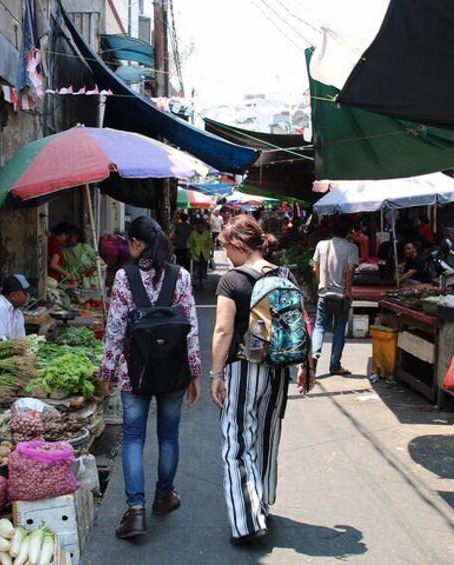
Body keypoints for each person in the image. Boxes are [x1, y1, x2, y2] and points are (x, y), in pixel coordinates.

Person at [210, 214, 314, 545]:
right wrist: (307, 366)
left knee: (236, 443)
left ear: (239, 244)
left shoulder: (232, 280)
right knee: (267, 437)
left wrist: (216, 373)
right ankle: (262, 503)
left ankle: (247, 523)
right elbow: (302, 322)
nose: (226, 255)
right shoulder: (284, 274)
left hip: (244, 370)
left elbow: (224, 330)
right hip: (279, 370)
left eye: (227, 247)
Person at [99, 216, 201, 540]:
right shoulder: (181, 276)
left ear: (138, 244)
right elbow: (191, 328)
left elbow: (115, 329)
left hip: (134, 372)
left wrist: (107, 372)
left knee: (133, 438)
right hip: (173, 371)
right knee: (168, 436)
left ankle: (136, 511)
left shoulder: (124, 278)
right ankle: (164, 496)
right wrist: (195, 373)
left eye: (131, 242)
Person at [312, 215, 359, 376]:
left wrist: (320, 284)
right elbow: (351, 269)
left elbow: (315, 268)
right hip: (341, 296)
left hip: (324, 293)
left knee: (319, 327)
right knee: (339, 330)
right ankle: (335, 366)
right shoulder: (351, 248)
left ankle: (314, 357)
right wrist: (348, 290)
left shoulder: (321, 245)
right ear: (348, 231)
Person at [0, 274, 31, 340]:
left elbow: (21, 340)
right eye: (25, 294)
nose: (27, 297)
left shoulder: (18, 313)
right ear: (13, 295)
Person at [188, 219, 214, 288]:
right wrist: (189, 251)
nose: (200, 226)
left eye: (201, 225)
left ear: (204, 226)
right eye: (198, 225)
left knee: (203, 267)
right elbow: (190, 242)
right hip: (195, 253)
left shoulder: (207, 233)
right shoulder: (193, 233)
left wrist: (212, 252)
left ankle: (201, 280)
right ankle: (196, 281)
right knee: (196, 268)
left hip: (205, 253)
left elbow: (210, 243)